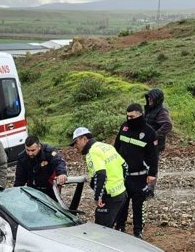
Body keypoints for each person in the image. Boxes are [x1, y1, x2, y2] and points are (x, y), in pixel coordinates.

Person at [113, 103, 159, 239]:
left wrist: (152, 174)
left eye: (132, 116)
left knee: (138, 206)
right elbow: (116, 148)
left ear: (140, 114)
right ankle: (120, 228)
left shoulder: (149, 132)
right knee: (122, 204)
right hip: (123, 175)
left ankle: (138, 232)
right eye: (127, 116)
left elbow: (153, 156)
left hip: (140, 176)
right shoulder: (124, 127)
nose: (129, 119)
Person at [70, 127, 127, 227]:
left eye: (76, 142)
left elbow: (100, 174)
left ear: (84, 139)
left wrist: (98, 197)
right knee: (113, 229)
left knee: (101, 230)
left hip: (109, 197)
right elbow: (124, 166)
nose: (75, 146)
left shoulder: (92, 152)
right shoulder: (106, 146)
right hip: (121, 193)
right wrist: (121, 183)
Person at [14, 135, 68, 200]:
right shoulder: (22, 158)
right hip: (33, 189)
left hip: (50, 188)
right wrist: (16, 194)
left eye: (33, 150)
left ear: (39, 146)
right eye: (27, 150)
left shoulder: (48, 152)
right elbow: (19, 179)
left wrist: (61, 173)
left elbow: (59, 162)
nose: (30, 153)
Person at [144, 88, 173, 155]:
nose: (148, 99)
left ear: (156, 99)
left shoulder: (161, 110)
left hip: (155, 144)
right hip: (147, 143)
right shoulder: (150, 108)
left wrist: (154, 136)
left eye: (151, 97)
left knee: (151, 164)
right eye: (148, 97)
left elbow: (168, 125)